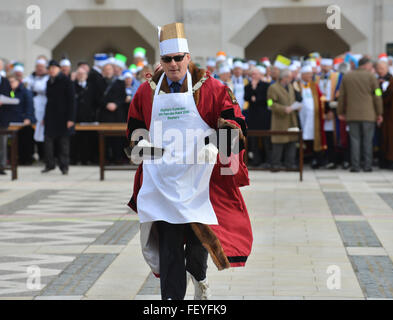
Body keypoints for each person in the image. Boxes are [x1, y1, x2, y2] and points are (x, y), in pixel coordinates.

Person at [126, 22, 252, 300]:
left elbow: (237, 123)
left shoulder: (213, 88)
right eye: (167, 59)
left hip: (200, 182)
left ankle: (200, 277)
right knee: (169, 247)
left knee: (198, 244)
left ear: (188, 58)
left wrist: (217, 146)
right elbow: (135, 129)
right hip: (163, 182)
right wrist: (141, 144)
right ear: (161, 61)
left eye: (178, 58)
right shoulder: (146, 91)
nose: (173, 65)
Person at [337, 57, 383, 172]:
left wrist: (340, 111)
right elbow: (377, 94)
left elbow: (342, 96)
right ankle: (367, 165)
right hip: (369, 114)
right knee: (368, 140)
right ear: (366, 65)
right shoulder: (371, 77)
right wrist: (379, 112)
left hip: (352, 114)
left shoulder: (347, 76)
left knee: (354, 140)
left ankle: (355, 165)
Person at [42, 60, 76, 175]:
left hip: (63, 117)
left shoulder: (66, 81)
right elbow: (49, 101)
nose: (51, 70)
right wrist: (44, 117)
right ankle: (49, 164)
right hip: (51, 117)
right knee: (48, 141)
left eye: (54, 68)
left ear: (59, 69)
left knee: (63, 143)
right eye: (50, 68)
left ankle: (64, 166)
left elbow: (72, 101)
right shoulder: (49, 82)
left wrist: (71, 118)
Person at [267, 68, 300, 171]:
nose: (291, 79)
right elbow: (270, 103)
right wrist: (282, 109)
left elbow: (293, 99)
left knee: (292, 142)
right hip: (279, 119)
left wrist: (296, 106)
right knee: (278, 142)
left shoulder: (290, 86)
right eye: (289, 77)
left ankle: (289, 163)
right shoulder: (273, 87)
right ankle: (275, 164)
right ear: (284, 78)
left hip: (291, 119)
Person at [297, 65, 327, 169]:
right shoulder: (297, 85)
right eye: (308, 74)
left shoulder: (314, 85)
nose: (310, 76)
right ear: (303, 75)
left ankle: (316, 158)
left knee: (314, 137)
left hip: (314, 117)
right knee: (302, 135)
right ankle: (301, 158)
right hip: (301, 116)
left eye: (311, 74)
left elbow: (320, 98)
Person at [97, 63, 126, 163]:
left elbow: (123, 97)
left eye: (110, 69)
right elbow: (96, 98)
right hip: (105, 114)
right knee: (105, 139)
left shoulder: (120, 83)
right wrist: (106, 104)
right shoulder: (99, 83)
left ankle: (117, 158)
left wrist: (116, 104)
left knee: (117, 138)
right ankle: (105, 159)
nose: (108, 71)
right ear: (103, 72)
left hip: (117, 114)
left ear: (113, 71)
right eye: (106, 70)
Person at [244, 65, 271, 167]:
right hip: (253, 115)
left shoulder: (266, 85)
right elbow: (246, 97)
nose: (253, 76)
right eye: (252, 74)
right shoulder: (247, 86)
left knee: (266, 140)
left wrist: (256, 98)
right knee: (254, 139)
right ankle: (256, 160)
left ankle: (268, 160)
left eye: (255, 74)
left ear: (260, 75)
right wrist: (253, 90)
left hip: (264, 115)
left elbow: (268, 99)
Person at [70, 67, 98, 165]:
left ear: (86, 76)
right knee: (75, 140)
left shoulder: (92, 87)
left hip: (88, 117)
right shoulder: (72, 86)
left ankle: (87, 159)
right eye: (79, 74)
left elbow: (96, 102)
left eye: (83, 74)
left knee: (88, 140)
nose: (81, 76)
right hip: (76, 117)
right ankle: (74, 159)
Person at [7, 74, 36, 164]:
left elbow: (29, 106)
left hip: (23, 121)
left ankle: (26, 159)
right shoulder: (11, 92)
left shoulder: (25, 92)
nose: (10, 84)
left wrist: (28, 117)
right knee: (13, 142)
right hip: (13, 120)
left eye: (12, 82)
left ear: (17, 82)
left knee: (25, 141)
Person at [24, 58, 49, 160]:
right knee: (32, 132)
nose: (40, 69)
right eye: (38, 67)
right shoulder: (29, 78)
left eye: (42, 67)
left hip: (43, 107)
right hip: (31, 108)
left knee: (43, 132)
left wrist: (35, 87)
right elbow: (15, 93)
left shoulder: (48, 78)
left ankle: (44, 155)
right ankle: (30, 156)